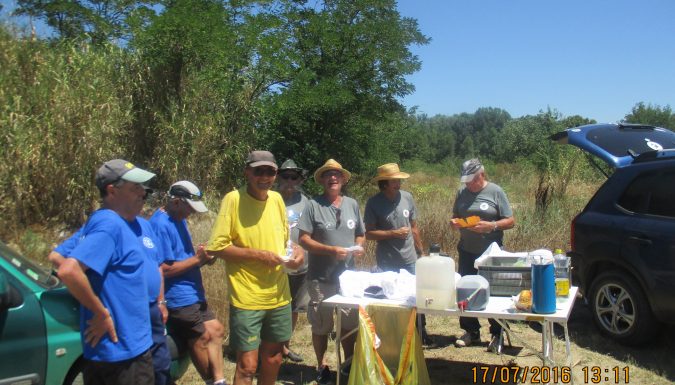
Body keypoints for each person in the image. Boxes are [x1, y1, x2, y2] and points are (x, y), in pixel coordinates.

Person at [52, 159, 157, 385]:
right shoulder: (111, 225)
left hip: (111, 348)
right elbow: (69, 271)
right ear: (112, 190)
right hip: (125, 352)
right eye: (135, 188)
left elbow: (58, 258)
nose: (142, 193)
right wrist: (100, 312)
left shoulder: (102, 220)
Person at [206, 151, 304, 385]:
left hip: (279, 295)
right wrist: (258, 255)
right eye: (258, 170)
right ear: (247, 172)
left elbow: (285, 240)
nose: (264, 176)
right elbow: (217, 247)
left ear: (275, 174)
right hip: (247, 296)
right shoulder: (233, 199)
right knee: (248, 366)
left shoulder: (277, 200)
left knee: (274, 358)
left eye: (269, 171)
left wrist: (297, 251)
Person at [149, 181, 226, 385]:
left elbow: (184, 258)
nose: (191, 213)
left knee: (216, 330)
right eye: (189, 208)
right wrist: (198, 259)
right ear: (175, 202)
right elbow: (164, 269)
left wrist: (205, 256)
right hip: (178, 296)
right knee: (199, 338)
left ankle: (219, 381)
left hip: (193, 292)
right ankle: (212, 381)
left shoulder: (179, 219)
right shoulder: (160, 224)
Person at [298, 159, 365, 385]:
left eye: (336, 174)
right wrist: (330, 250)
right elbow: (304, 239)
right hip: (320, 278)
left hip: (348, 280)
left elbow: (360, 233)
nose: (332, 178)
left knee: (348, 324)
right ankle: (321, 366)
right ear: (322, 181)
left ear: (343, 179)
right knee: (321, 325)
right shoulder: (312, 205)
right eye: (328, 175)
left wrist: (358, 247)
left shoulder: (352, 204)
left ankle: (348, 365)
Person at [363, 162, 432, 345]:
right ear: (384, 183)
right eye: (394, 181)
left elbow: (414, 227)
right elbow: (368, 233)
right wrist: (392, 234)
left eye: (399, 180)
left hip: (410, 259)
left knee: (415, 297)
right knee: (390, 299)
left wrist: (421, 252)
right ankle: (392, 335)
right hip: (387, 262)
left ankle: (420, 332)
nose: (398, 184)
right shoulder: (374, 203)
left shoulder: (407, 197)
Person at [451, 158, 515, 353]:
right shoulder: (462, 192)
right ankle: (471, 331)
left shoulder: (495, 191)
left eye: (472, 179)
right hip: (467, 250)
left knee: (494, 292)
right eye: (466, 180)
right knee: (465, 291)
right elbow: (455, 215)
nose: (469, 184)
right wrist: (455, 223)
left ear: (481, 175)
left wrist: (492, 225)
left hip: (490, 254)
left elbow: (510, 221)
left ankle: (497, 333)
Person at [275, 159, 311, 363]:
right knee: (274, 307)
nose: (289, 180)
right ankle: (269, 348)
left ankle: (285, 348)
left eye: (293, 177)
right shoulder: (270, 199)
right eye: (285, 176)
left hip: (300, 264)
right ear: (278, 177)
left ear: (299, 179)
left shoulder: (306, 202)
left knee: (294, 307)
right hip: (275, 265)